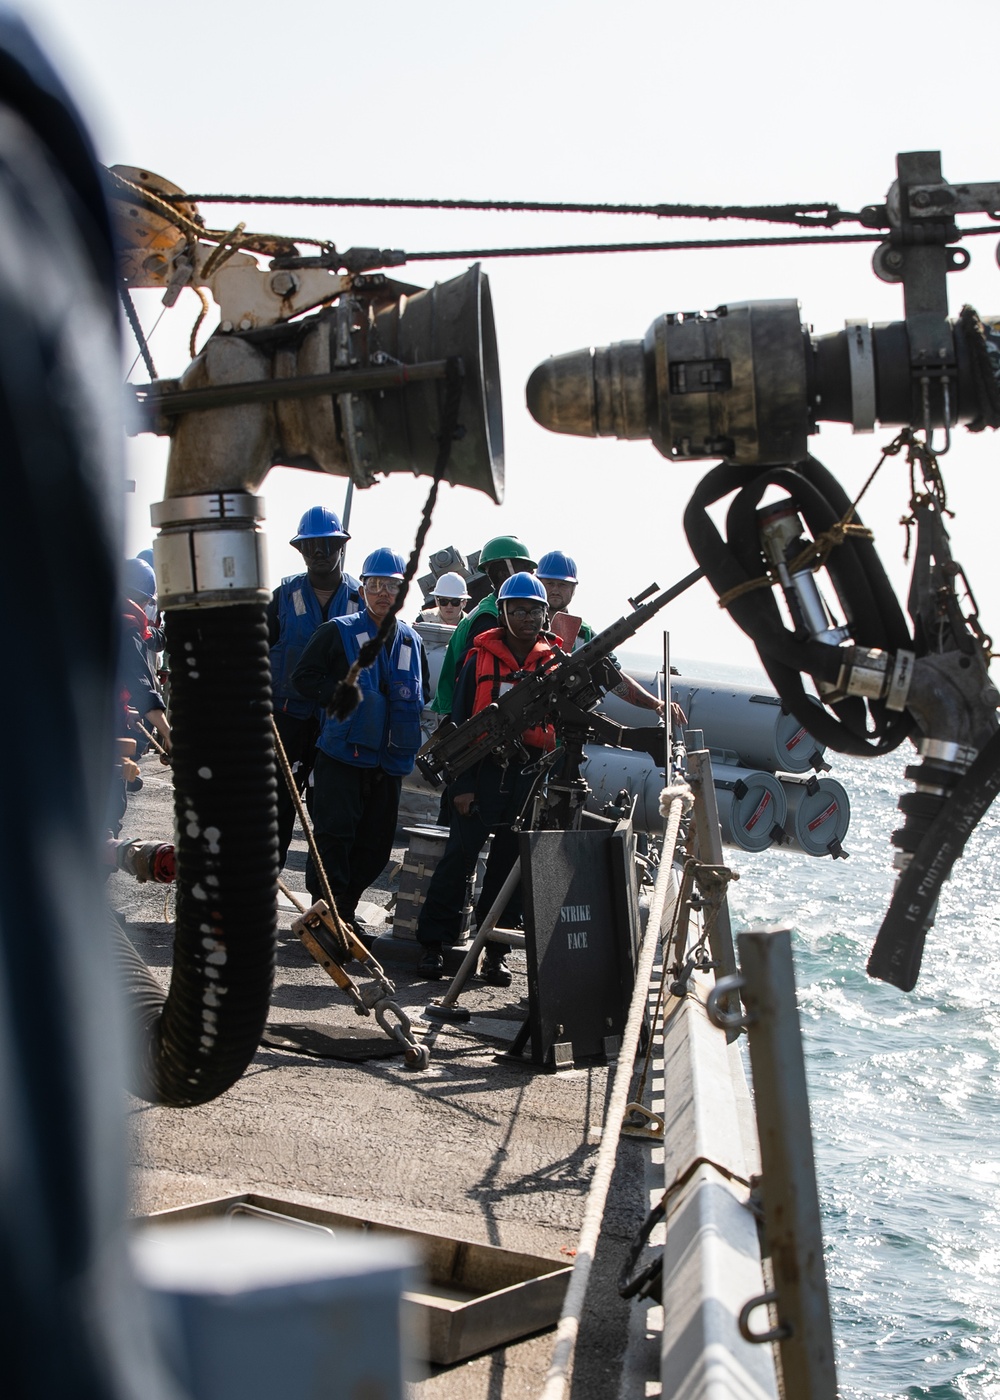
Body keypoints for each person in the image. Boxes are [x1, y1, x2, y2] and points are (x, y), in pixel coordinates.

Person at [416, 573, 563, 984]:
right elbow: (457, 723)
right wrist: (459, 786)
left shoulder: (552, 662)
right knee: (457, 862)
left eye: (534, 610)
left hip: (526, 778)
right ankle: (432, 945)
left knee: (508, 871)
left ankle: (494, 952)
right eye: (518, 610)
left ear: (545, 614)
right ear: (503, 612)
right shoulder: (478, 659)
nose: (527, 617)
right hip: (479, 774)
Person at [291, 548, 427, 931]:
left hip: (389, 761)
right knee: (334, 838)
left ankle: (346, 912)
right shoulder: (338, 631)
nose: (384, 593)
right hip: (342, 755)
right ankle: (327, 918)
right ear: (363, 589)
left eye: (392, 586)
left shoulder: (412, 642)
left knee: (376, 847)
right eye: (375, 585)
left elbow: (421, 693)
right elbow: (304, 678)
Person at [268, 506, 361, 869]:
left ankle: (327, 901)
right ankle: (266, 882)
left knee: (332, 813)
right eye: (311, 548)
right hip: (286, 719)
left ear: (342, 547)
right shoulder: (281, 597)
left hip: (337, 724)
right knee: (275, 805)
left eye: (328, 546)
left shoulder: (361, 600)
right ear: (300, 551)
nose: (320, 554)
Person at [536, 550, 668, 718]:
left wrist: (656, 704)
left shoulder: (584, 634)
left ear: (573, 589)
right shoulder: (522, 626)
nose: (555, 590)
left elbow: (613, 675)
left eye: (562, 585)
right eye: (550, 583)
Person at [430, 535, 537, 723]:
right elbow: (473, 674)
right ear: (505, 573)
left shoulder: (488, 608)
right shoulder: (489, 617)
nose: (530, 576)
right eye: (526, 570)